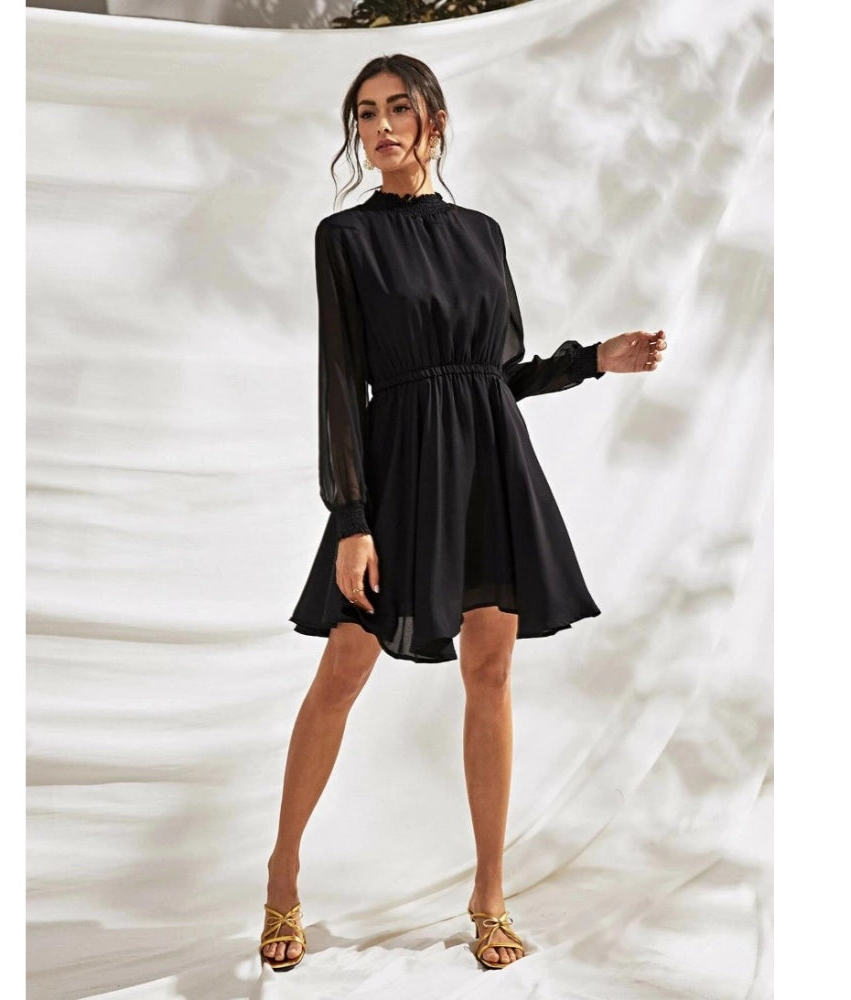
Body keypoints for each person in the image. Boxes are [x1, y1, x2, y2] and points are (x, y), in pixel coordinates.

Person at [261, 53, 667, 973]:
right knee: (344, 669)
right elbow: (339, 384)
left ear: (434, 121)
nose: (379, 127)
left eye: (397, 109)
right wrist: (351, 516)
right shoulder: (345, 240)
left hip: (489, 467)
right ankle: (283, 872)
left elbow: (498, 376)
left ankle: (490, 893)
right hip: (398, 473)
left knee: (491, 671)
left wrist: (593, 360)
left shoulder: (482, 233)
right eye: (365, 113)